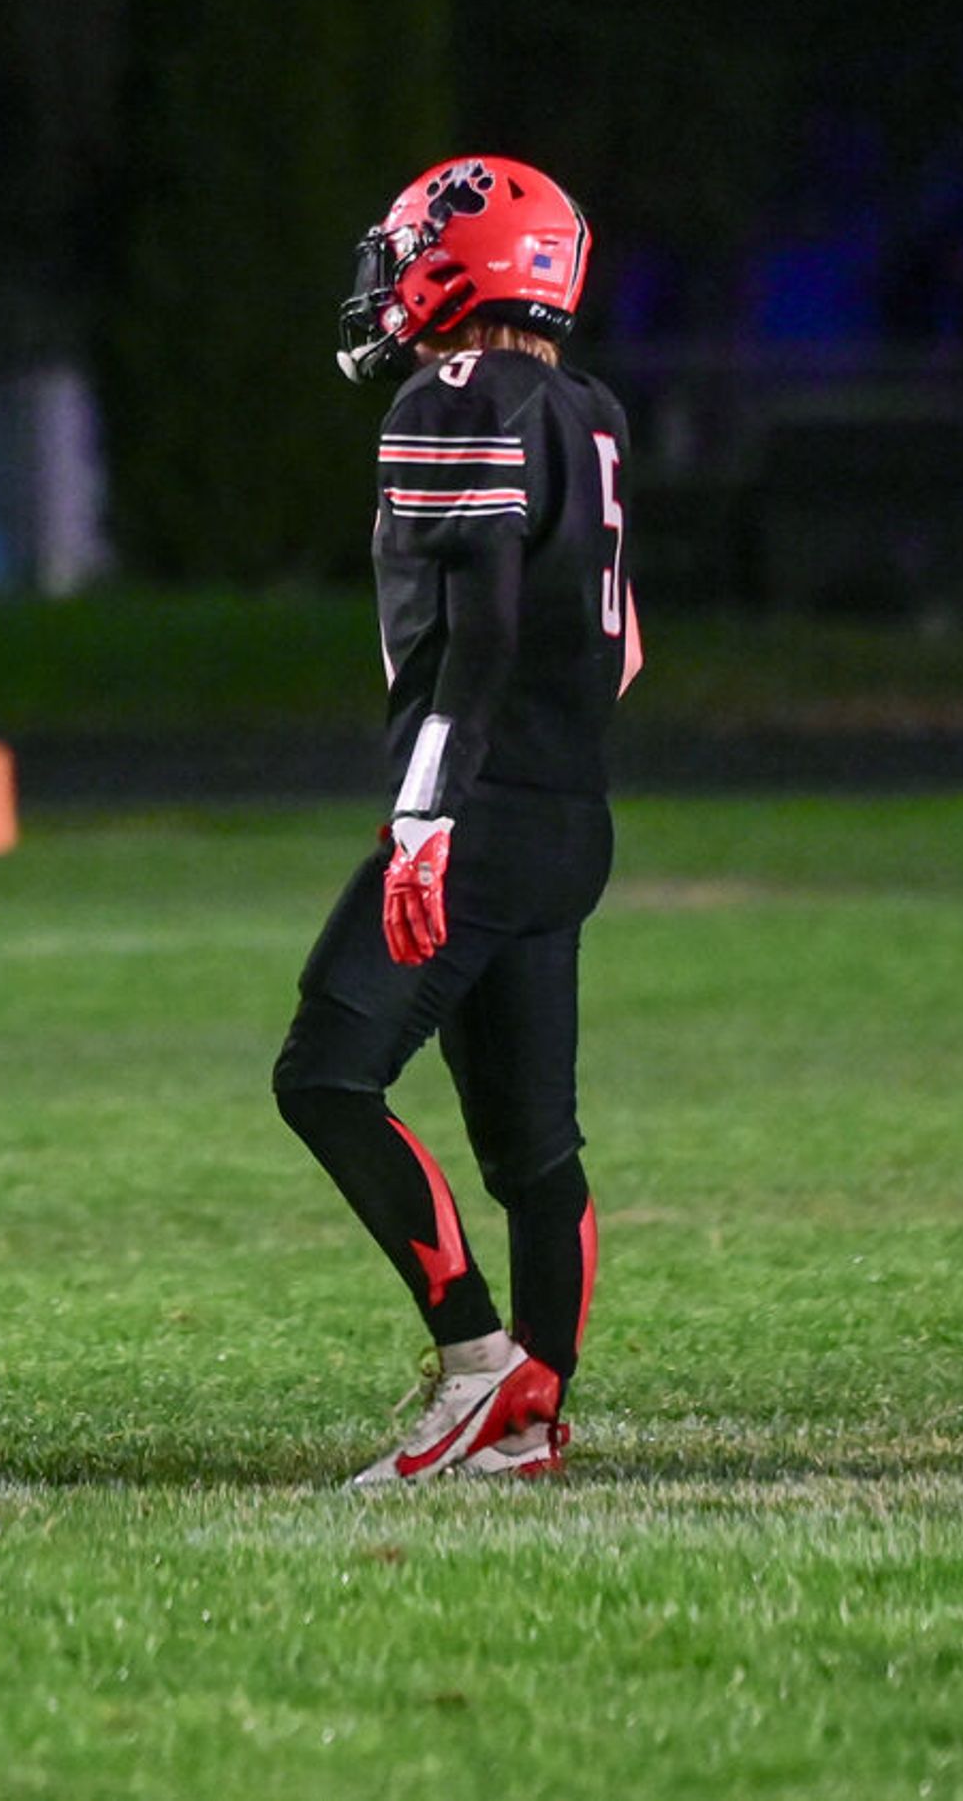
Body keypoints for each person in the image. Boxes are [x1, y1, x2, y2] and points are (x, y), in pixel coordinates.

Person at [270, 156, 637, 1485]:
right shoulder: (584, 407)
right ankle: (529, 1410)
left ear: (456, 261)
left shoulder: (456, 393)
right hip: (564, 813)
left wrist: (426, 812)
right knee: (536, 1144)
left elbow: (480, 630)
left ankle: (482, 1366)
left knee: (324, 1070)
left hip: (472, 813)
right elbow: (622, 646)